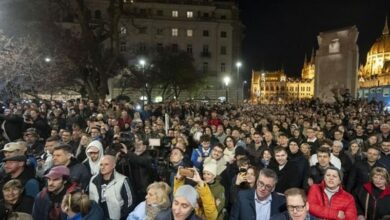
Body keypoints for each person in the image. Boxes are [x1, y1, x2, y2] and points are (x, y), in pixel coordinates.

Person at [89, 155, 133, 220]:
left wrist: (122, 217)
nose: (103, 167)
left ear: (113, 165)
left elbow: (129, 202)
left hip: (115, 217)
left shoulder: (122, 180)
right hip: (97, 216)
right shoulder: (93, 180)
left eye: (106, 164)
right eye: (101, 164)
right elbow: (91, 199)